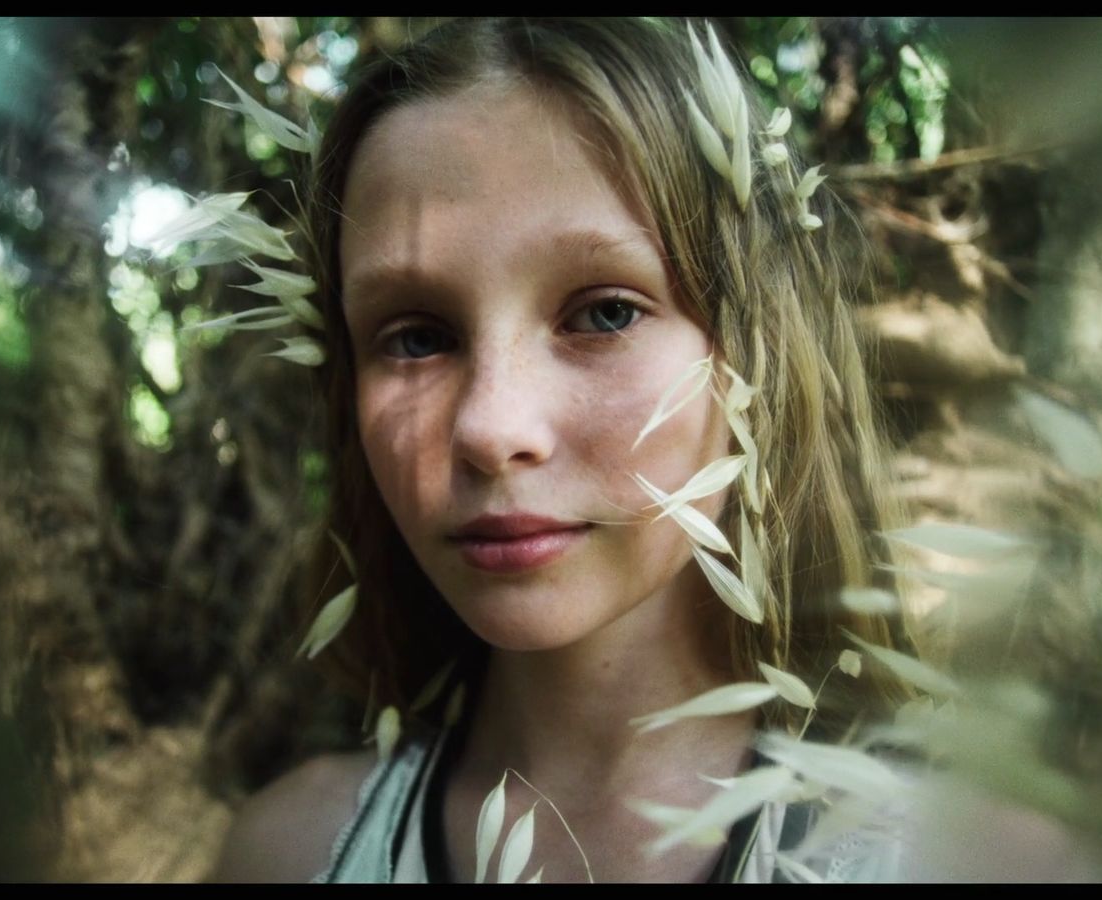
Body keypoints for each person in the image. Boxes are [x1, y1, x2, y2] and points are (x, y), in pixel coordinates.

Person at [210, 17, 914, 883]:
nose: (492, 428)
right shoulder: (283, 857)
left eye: (605, 312)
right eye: (417, 337)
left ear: (756, 350)